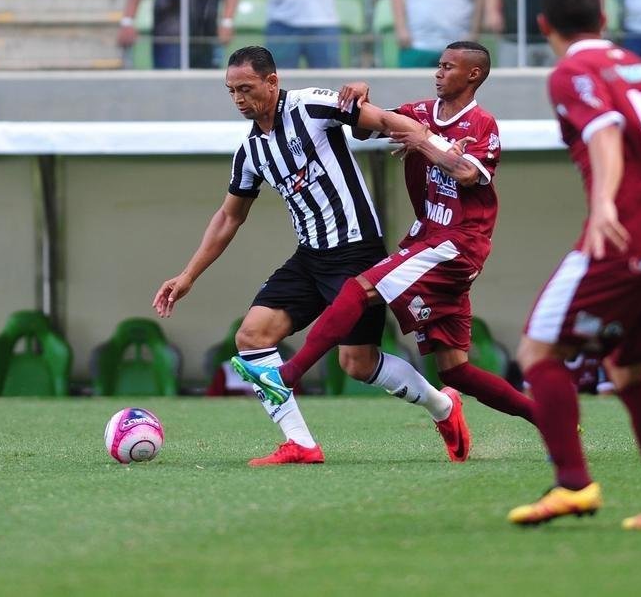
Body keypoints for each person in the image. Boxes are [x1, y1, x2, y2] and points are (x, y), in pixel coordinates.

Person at [153, 45, 470, 466]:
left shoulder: (312, 106)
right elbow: (229, 217)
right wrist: (188, 275)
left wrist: (438, 148)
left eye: (246, 88)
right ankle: (300, 443)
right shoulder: (250, 152)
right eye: (231, 91)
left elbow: (383, 120)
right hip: (309, 257)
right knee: (251, 337)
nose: (238, 99)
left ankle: (443, 407)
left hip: (356, 253)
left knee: (357, 363)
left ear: (272, 81)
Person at [230, 42, 538, 448]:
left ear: (474, 75)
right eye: (439, 65)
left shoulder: (482, 124)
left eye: (448, 67)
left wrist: (424, 143)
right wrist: (360, 94)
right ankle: (548, 419)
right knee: (455, 371)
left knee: (359, 289)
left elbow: (466, 173)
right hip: (426, 238)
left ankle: (287, 375)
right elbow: (366, 127)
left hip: (457, 243)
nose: (438, 73)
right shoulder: (420, 112)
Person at [507, 0, 641, 530]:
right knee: (629, 371)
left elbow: (605, 134)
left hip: (622, 238)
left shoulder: (572, 71)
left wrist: (605, 206)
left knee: (538, 353)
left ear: (543, 24)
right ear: (604, 15)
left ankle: (573, 486)